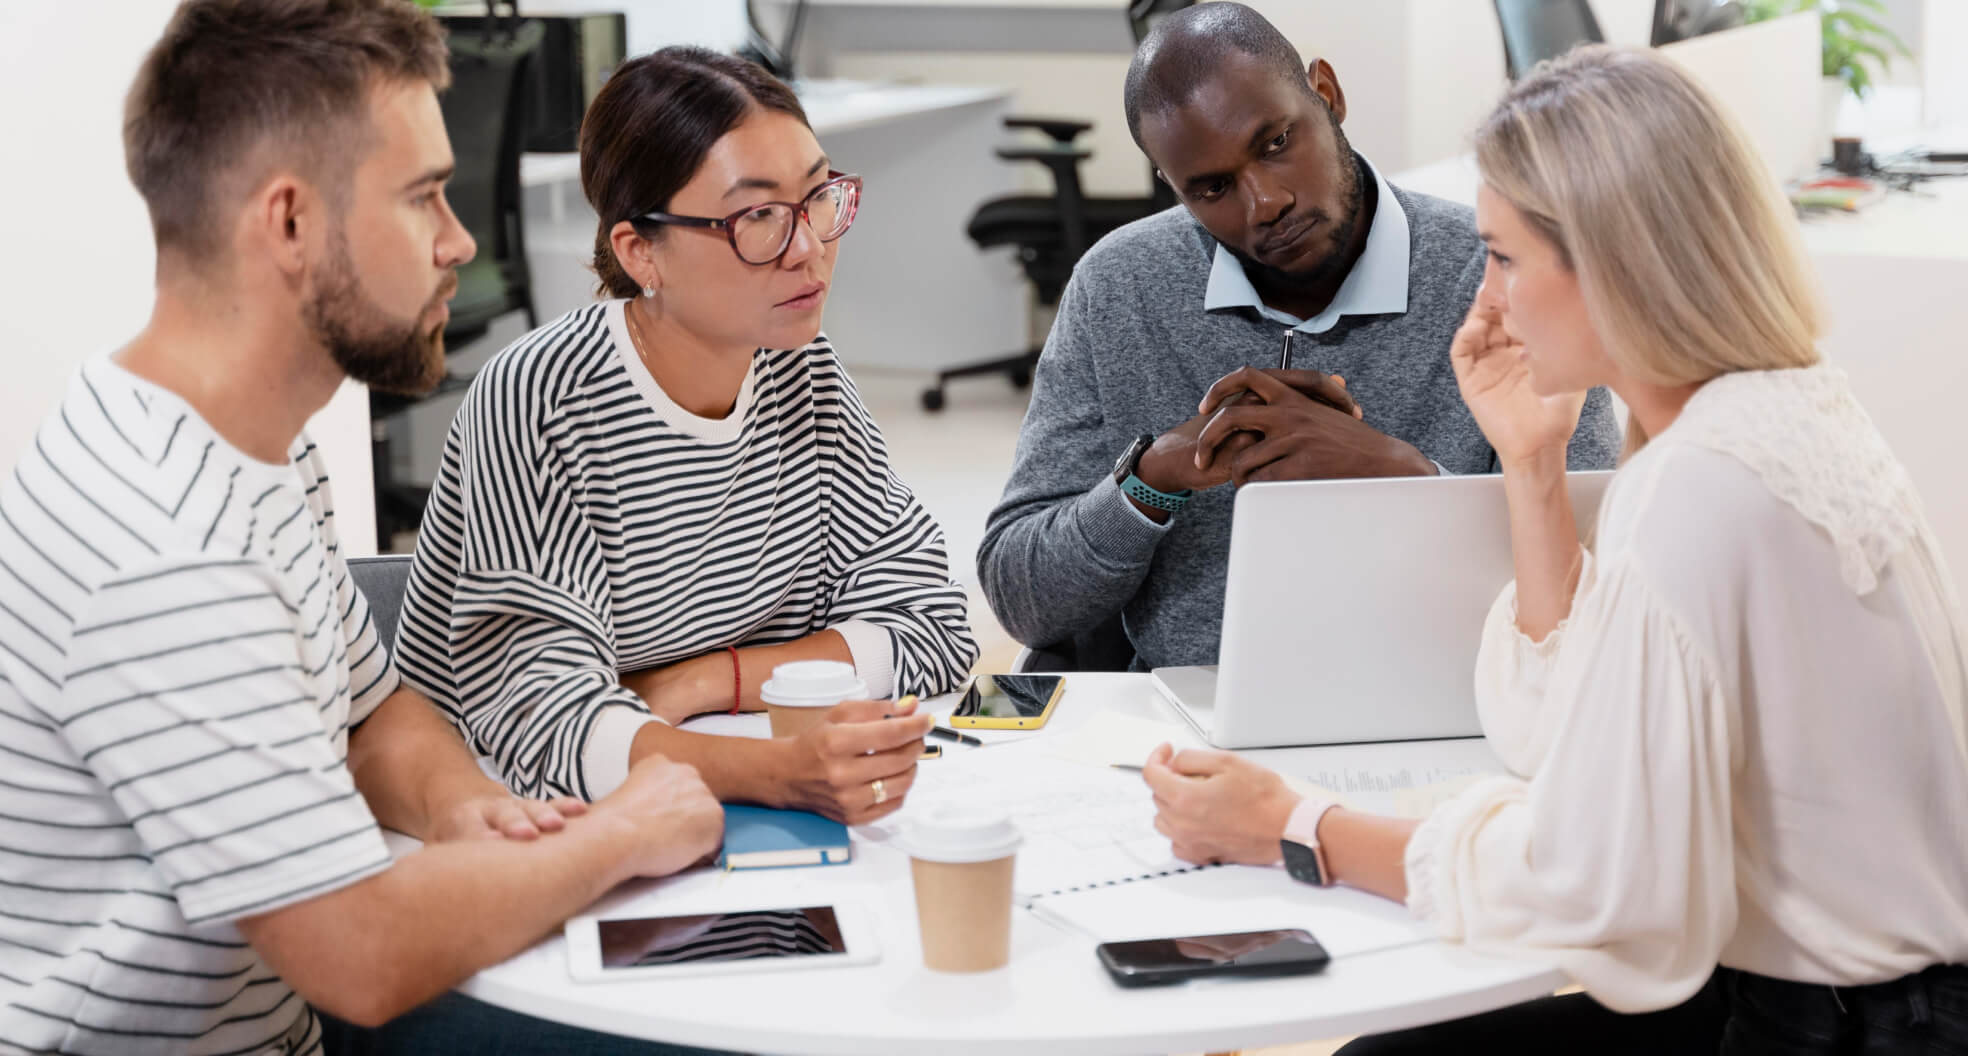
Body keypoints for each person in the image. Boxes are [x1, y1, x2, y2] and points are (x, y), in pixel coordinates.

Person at [1144, 45, 1968, 1053]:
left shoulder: (1704, 484)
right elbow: (1558, 721)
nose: (1486, 303)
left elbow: (1602, 891)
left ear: (1614, 264)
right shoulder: (1767, 409)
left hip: (1844, 1026)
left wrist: (1291, 826)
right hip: (1841, 990)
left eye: (1504, 257)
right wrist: (1529, 463)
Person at [0, 2, 732, 1053]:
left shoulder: (258, 442)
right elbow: (363, 959)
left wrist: (471, 810)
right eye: (424, 197)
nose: (461, 241)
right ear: (291, 222)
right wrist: (618, 833)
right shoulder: (163, 544)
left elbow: (371, 711)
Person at [392, 47, 977, 820]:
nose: (809, 248)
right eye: (758, 217)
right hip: (502, 817)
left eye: (818, 198)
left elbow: (933, 623)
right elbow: (540, 720)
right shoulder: (542, 398)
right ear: (641, 253)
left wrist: (705, 679)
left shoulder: (802, 371)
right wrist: (776, 770)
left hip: (701, 778)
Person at [977, 2, 1620, 671]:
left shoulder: (1502, 273)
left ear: (1328, 94)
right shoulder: (1118, 287)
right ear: (1173, 190)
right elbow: (1024, 600)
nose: (1265, 203)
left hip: (1459, 706)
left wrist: (1407, 479)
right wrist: (1149, 480)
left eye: (1276, 143)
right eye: (1213, 187)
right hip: (1187, 725)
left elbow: (1600, 581)